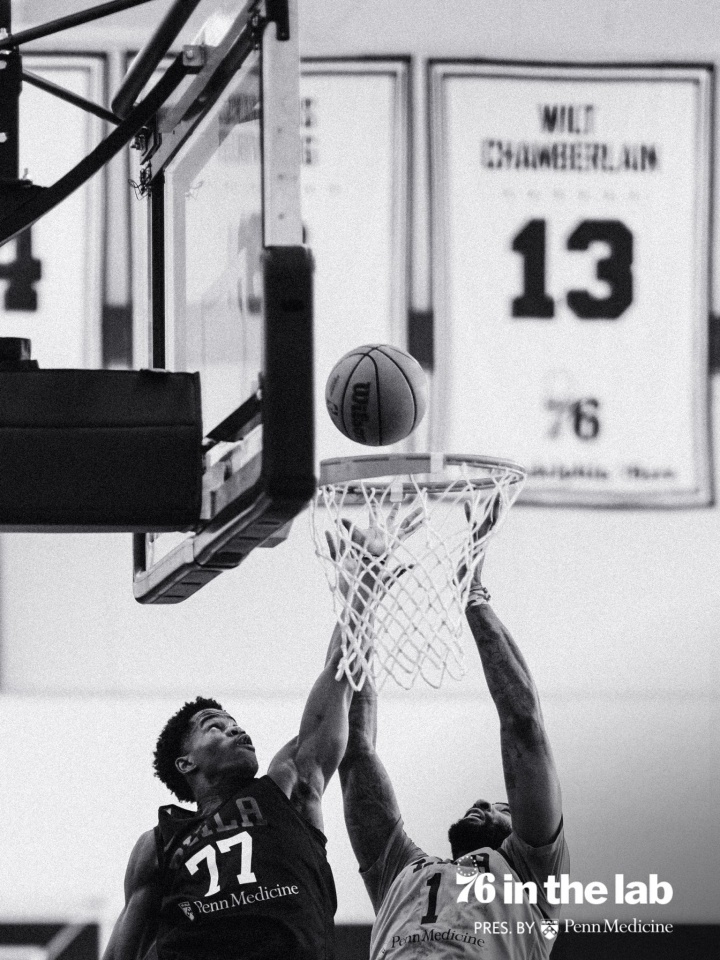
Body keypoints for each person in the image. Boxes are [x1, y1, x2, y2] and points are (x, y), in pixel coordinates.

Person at [339, 529, 569, 958]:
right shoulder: (404, 873)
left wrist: (474, 598)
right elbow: (354, 749)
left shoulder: (530, 876)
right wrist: (360, 609)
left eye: (504, 807)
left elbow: (524, 725)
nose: (482, 802)